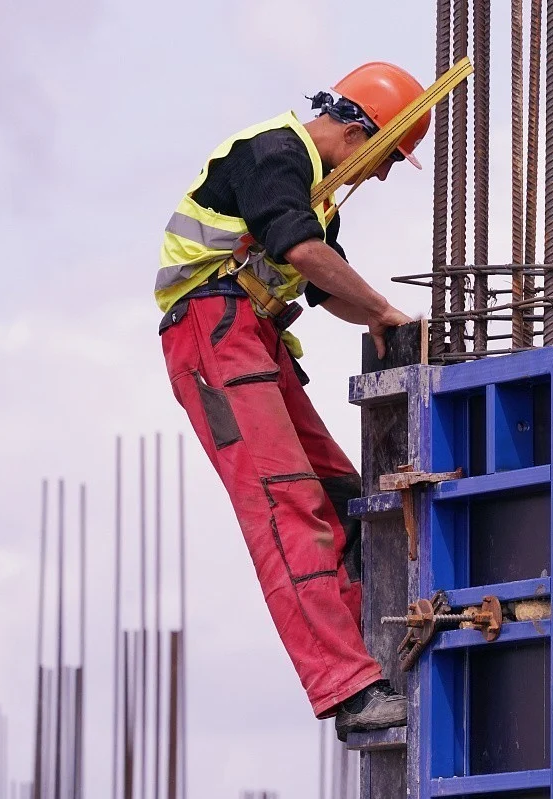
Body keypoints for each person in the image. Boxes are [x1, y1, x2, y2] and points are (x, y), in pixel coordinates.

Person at [155, 62, 428, 737]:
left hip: (251, 337)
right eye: (388, 157)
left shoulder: (313, 191)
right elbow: (304, 253)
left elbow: (323, 282)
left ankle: (370, 650)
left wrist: (378, 318)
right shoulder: (275, 153)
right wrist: (382, 308)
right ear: (357, 131)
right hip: (213, 336)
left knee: (344, 500)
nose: (382, 176)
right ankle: (348, 687)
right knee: (287, 507)